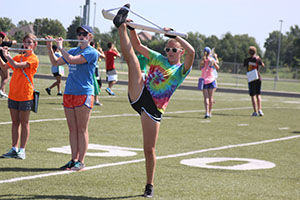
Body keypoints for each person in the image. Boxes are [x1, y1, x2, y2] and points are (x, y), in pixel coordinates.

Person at [113, 4, 195, 198]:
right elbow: (138, 47)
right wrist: (131, 29)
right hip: (140, 93)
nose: (170, 52)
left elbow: (192, 53)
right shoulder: (159, 58)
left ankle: (149, 185)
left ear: (180, 51)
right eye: (168, 49)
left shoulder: (181, 70)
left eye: (174, 50)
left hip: (154, 109)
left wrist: (175, 36)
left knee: (149, 149)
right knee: (133, 60)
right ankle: (121, 26)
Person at [46, 25, 99, 170]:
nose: (81, 36)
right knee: (72, 128)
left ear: (90, 37)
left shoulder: (92, 52)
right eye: (79, 34)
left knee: (82, 128)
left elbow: (72, 60)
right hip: (69, 92)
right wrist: (50, 47)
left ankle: (80, 161)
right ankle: (73, 159)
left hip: (84, 93)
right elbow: (55, 63)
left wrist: (61, 47)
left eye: (84, 34)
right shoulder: (74, 50)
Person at [0, 33, 39, 160]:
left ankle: (22, 150)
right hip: (13, 94)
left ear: (34, 45)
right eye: (25, 42)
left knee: (24, 122)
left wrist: (7, 56)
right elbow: (5, 66)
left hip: (26, 95)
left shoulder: (34, 59)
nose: (27, 44)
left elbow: (16, 66)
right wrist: (1, 55)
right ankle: (14, 148)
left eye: (30, 42)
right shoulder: (18, 56)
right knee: (15, 122)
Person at [244, 46, 265, 116]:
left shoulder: (247, 60)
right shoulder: (258, 59)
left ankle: (255, 111)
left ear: (249, 52)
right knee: (258, 94)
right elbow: (263, 65)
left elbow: (244, 65)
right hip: (258, 77)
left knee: (252, 95)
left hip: (251, 78)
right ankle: (260, 110)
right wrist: (258, 59)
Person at [199, 47, 220, 119]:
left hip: (204, 81)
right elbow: (217, 67)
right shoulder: (212, 60)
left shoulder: (202, 60)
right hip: (211, 80)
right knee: (211, 98)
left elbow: (200, 67)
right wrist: (215, 59)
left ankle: (206, 112)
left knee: (206, 98)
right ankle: (210, 112)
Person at [0, 31, 17, 98]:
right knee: (6, 77)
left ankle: (3, 93)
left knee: (3, 78)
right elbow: (14, 42)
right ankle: (1, 90)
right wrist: (10, 40)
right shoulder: (4, 43)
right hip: (4, 62)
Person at [90, 41, 105, 106]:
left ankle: (94, 99)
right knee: (97, 85)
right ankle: (96, 100)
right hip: (94, 69)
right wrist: (101, 51)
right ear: (93, 45)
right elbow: (103, 56)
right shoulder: (94, 51)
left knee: (96, 85)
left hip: (90, 69)